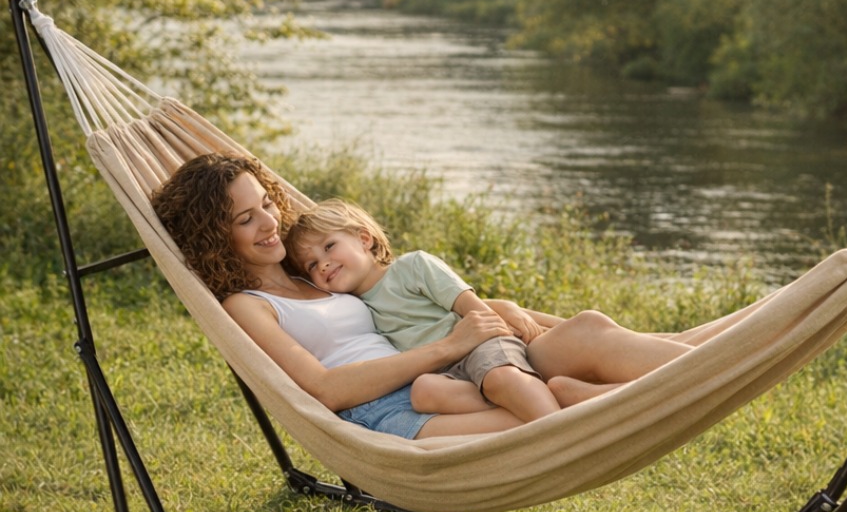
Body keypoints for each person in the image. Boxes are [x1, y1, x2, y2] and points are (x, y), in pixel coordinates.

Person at [152, 153, 701, 441]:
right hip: (401, 404)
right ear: (215, 236)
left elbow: (395, 296)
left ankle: (705, 358)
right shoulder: (247, 305)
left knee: (587, 327)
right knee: (551, 416)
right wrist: (448, 348)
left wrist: (500, 313)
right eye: (247, 220)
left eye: (266, 205)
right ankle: (696, 378)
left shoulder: (307, 267)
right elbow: (321, 388)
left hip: (454, 368)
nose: (271, 222)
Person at [284, 199, 562, 422]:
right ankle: (556, 397)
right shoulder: (355, 310)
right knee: (423, 393)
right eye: (311, 265)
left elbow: (469, 306)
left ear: (364, 239)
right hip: (445, 371)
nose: (322, 264)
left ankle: (558, 430)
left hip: (477, 345)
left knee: (499, 376)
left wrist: (503, 313)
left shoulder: (412, 267)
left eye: (329, 247)